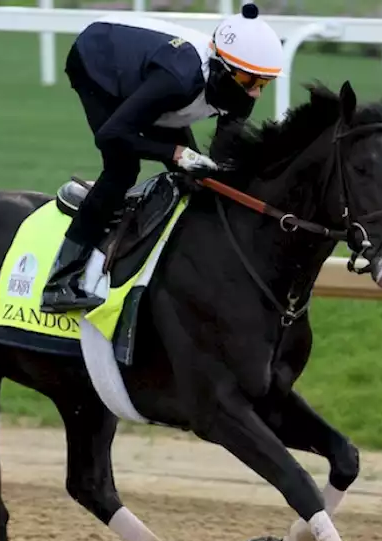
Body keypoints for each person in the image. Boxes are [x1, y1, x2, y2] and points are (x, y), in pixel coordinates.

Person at [40, 3, 285, 314]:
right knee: (121, 169)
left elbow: (223, 159)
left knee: (198, 178)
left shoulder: (236, 89)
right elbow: (111, 134)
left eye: (264, 83)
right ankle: (59, 281)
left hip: (151, 73)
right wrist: (175, 152)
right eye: (250, 82)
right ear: (222, 67)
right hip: (99, 59)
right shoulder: (178, 81)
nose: (256, 94)